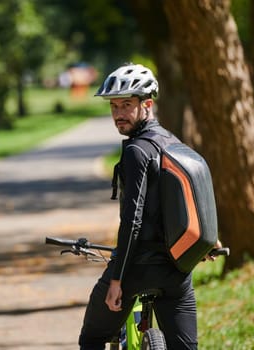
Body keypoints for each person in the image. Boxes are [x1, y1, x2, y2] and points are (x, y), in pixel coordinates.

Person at [78, 63, 219, 349]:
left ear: (147, 105)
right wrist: (205, 241)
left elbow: (133, 220)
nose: (118, 114)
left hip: (137, 269)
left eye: (127, 105)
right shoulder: (172, 142)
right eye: (114, 107)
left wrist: (118, 279)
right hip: (176, 272)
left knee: (92, 337)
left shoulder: (135, 151)